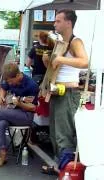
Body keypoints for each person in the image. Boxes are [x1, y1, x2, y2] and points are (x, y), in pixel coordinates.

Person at [42, 9, 88, 173]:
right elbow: (56, 69)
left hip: (68, 93)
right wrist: (48, 61)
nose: (55, 24)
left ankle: (67, 172)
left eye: (58, 21)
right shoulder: (60, 42)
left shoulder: (76, 41)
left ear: (68, 23)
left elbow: (84, 62)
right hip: (57, 92)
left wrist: (60, 58)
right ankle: (58, 167)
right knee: (55, 133)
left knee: (64, 134)